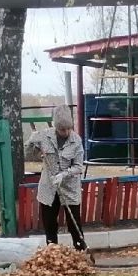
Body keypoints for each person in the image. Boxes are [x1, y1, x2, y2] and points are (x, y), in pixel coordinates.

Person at [33, 107, 87, 249]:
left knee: (74, 222)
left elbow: (79, 166)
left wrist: (64, 174)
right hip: (49, 187)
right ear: (56, 127)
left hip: (69, 187)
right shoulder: (44, 136)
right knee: (49, 223)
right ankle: (52, 252)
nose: (66, 132)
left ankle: (81, 250)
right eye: (63, 130)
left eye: (69, 129)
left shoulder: (76, 141)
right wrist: (34, 148)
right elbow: (30, 153)